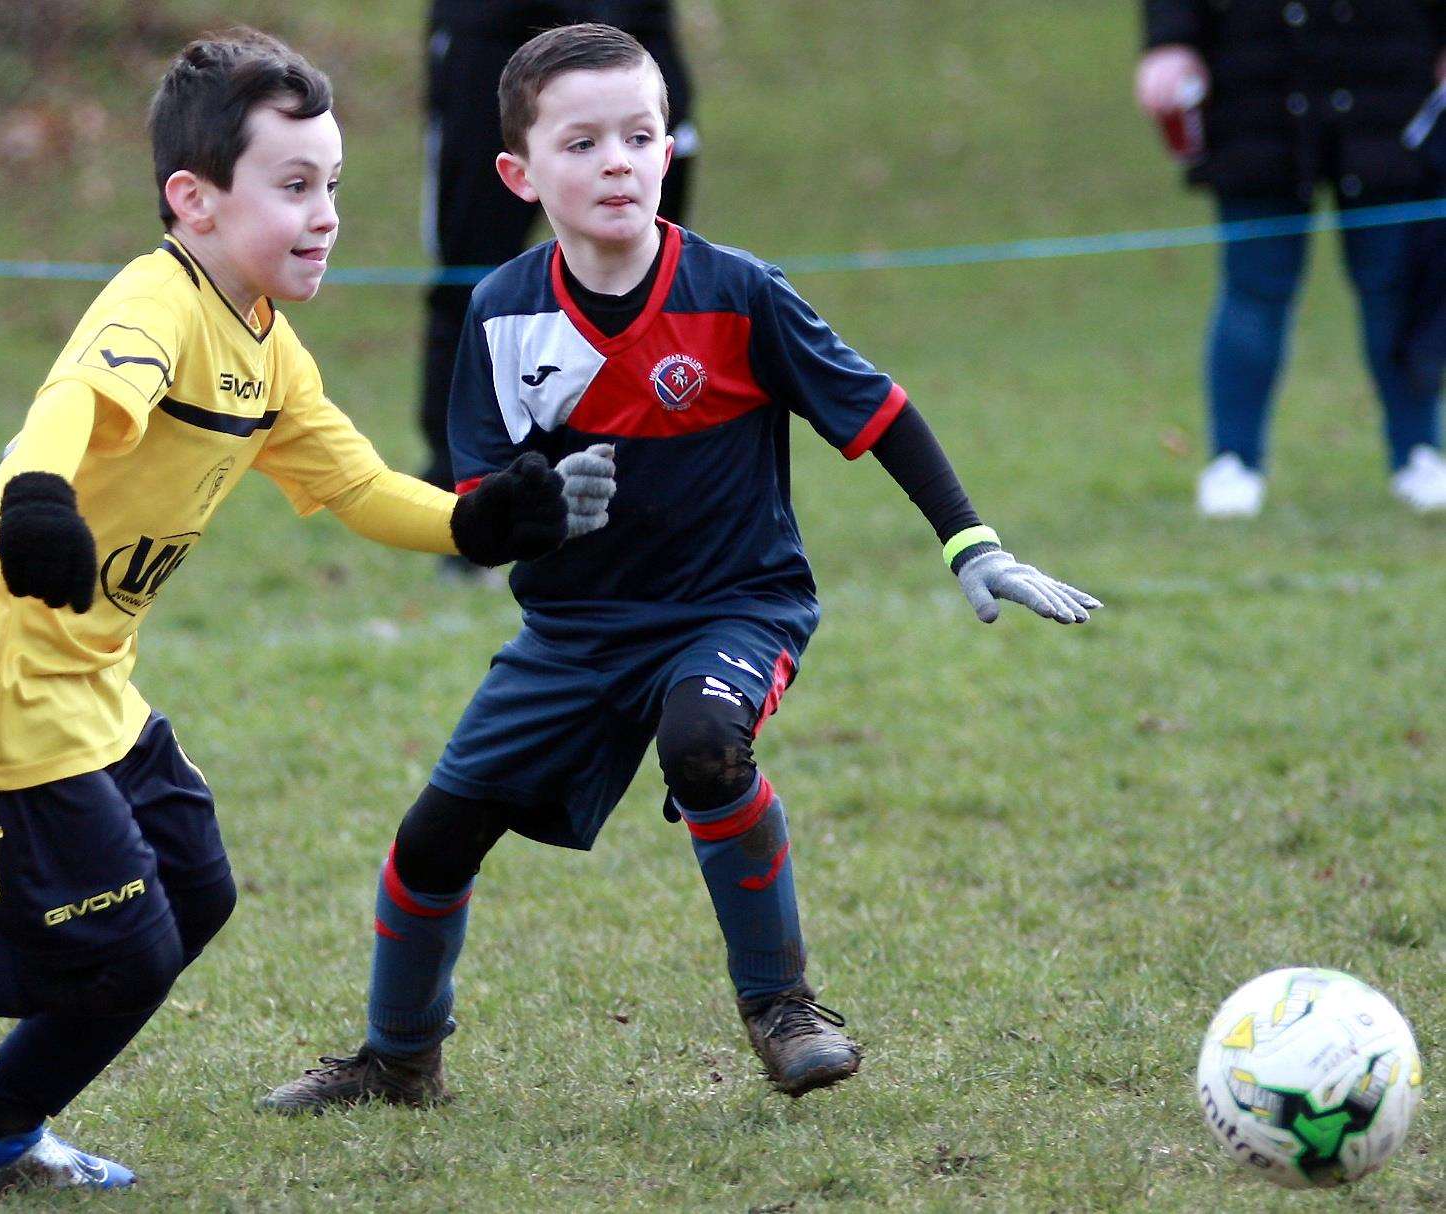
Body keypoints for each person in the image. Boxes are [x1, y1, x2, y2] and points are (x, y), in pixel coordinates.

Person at [0, 29, 613, 1194]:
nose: (323, 215)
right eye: (292, 186)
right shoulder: (156, 303)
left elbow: (357, 484)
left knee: (191, 896)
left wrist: (481, 523)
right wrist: (35, 498)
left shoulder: (268, 347)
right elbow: (74, 399)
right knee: (113, 960)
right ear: (195, 199)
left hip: (92, 688)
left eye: (332, 187)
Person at [260, 22, 1100, 1114]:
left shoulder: (739, 293)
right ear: (519, 172)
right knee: (432, 839)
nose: (616, 160)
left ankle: (784, 1008)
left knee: (703, 743)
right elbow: (476, 505)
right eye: (582, 142)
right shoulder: (500, 311)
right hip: (572, 633)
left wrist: (970, 541)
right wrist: (533, 509)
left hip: (731, 608)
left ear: (669, 148)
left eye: (639, 134)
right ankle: (397, 1057)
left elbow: (880, 411)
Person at [1136, 0, 1446, 516]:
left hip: (1391, 92)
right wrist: (1169, 42)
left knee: (1393, 287)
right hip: (1257, 94)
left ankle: (1419, 451)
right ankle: (1233, 461)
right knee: (1254, 288)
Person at [419, 1, 696, 577]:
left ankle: (675, 480)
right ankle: (468, 497)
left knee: (666, 281)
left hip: (629, 26)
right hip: (490, 36)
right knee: (468, 277)